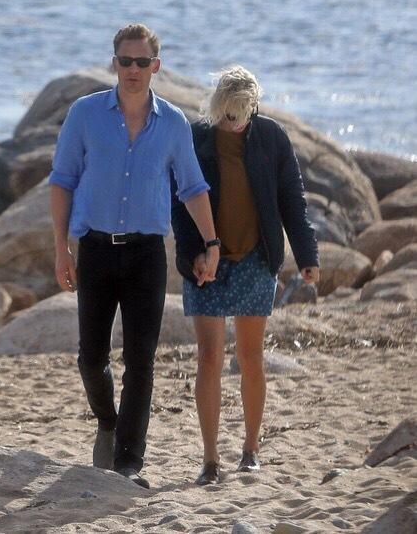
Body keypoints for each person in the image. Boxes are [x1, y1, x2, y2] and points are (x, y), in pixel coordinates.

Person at [49, 24, 220, 489]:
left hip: (147, 254)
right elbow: (62, 181)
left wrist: (211, 242)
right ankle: (107, 422)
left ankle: (129, 462)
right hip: (96, 250)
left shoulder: (174, 123)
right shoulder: (85, 114)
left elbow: (192, 187)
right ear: (114, 63)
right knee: (91, 358)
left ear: (155, 66)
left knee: (141, 361)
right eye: (125, 61)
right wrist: (62, 248)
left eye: (142, 62)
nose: (133, 70)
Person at [171, 66, 319, 485]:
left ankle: (251, 450)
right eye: (227, 113)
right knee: (209, 357)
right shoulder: (196, 137)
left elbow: (292, 199)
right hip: (206, 262)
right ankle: (210, 460)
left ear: (253, 106)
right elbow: (179, 202)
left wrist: (306, 255)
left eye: (241, 113)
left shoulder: (271, 137)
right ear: (216, 105)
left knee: (251, 357)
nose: (233, 122)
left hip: (256, 257)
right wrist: (193, 255)